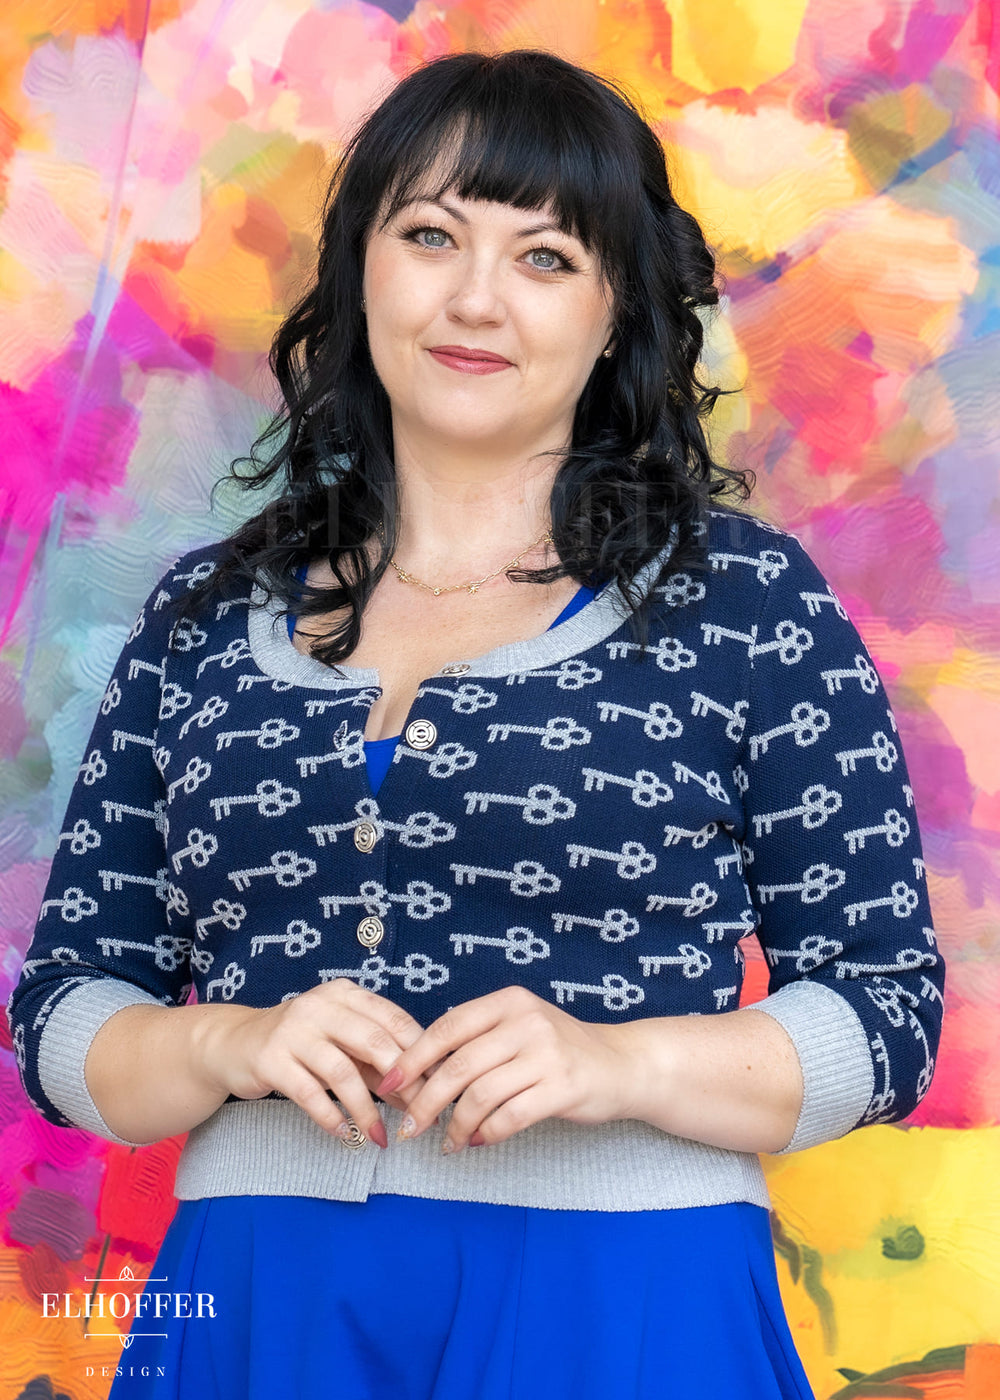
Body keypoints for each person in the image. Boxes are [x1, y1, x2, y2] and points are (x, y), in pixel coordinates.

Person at [8, 48, 945, 1400]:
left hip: (627, 1299)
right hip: (260, 1298)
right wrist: (229, 1041)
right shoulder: (205, 617)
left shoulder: (742, 605)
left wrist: (617, 1060)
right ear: (359, 269)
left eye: (546, 257)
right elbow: (67, 1011)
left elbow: (885, 1010)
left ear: (621, 310)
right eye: (430, 235)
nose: (474, 299)